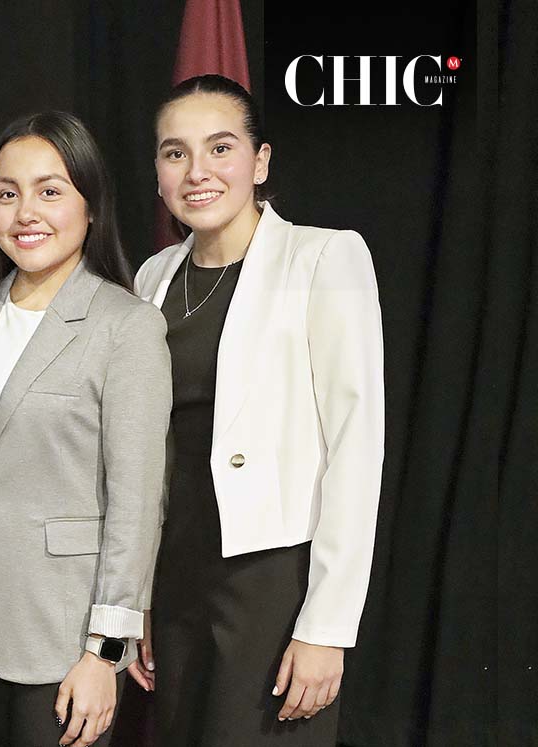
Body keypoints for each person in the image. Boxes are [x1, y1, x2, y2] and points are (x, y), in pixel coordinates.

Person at [131, 74, 385, 745]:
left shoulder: (324, 257)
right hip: (177, 571)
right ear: (157, 169)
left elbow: (356, 450)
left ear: (260, 160)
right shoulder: (152, 278)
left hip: (272, 579)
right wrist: (141, 593)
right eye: (175, 152)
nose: (197, 171)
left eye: (220, 148)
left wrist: (325, 626)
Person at [0, 111, 172, 747]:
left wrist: (107, 654)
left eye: (50, 190)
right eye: (6, 194)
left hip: (65, 639)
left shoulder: (128, 327)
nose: (24, 212)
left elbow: (137, 504)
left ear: (90, 205)